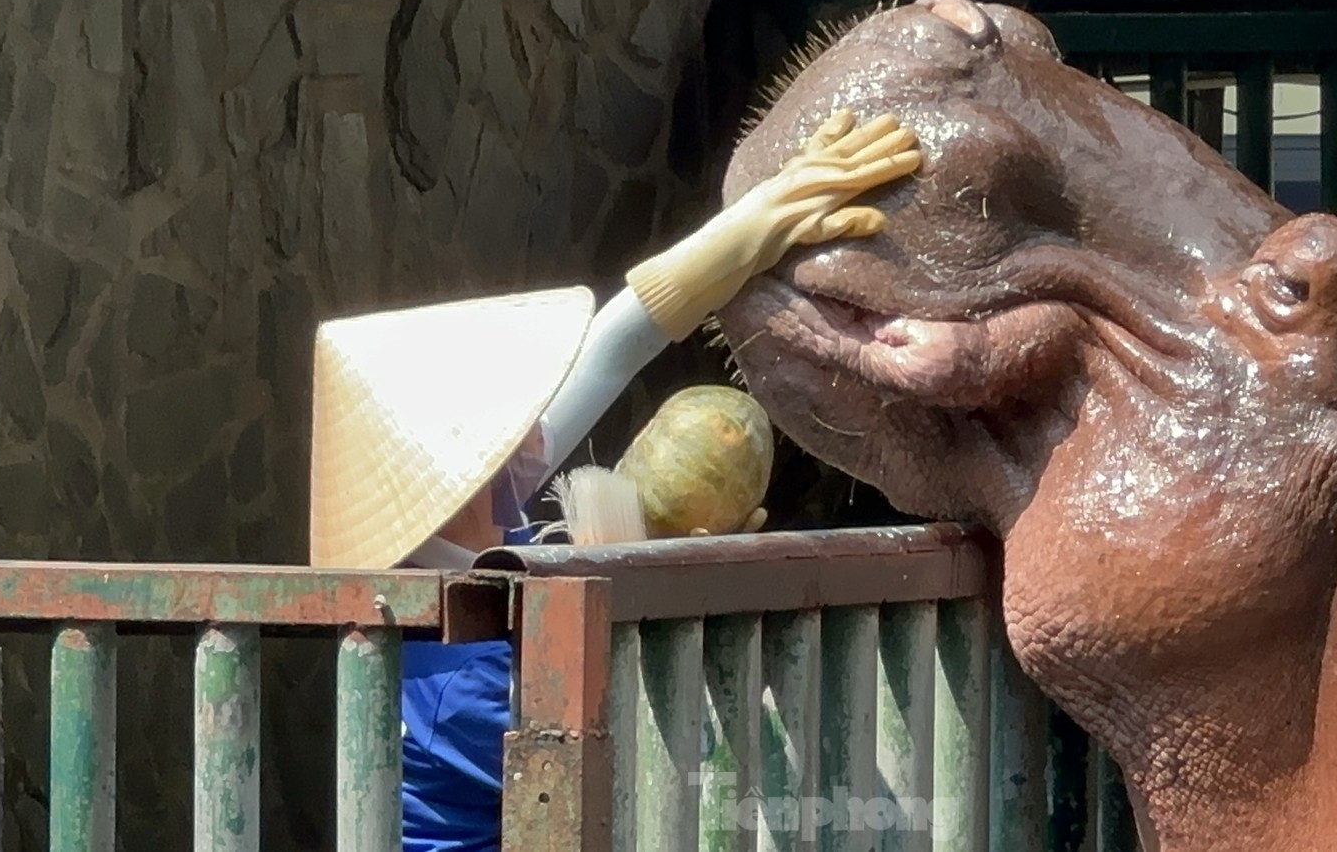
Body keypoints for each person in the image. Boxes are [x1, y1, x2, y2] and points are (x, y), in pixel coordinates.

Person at [305, 109, 922, 852]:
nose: (523, 422)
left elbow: (615, 345)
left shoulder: (471, 526)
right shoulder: (459, 683)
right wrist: (692, 569)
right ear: (453, 472)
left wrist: (757, 223)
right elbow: (665, 758)